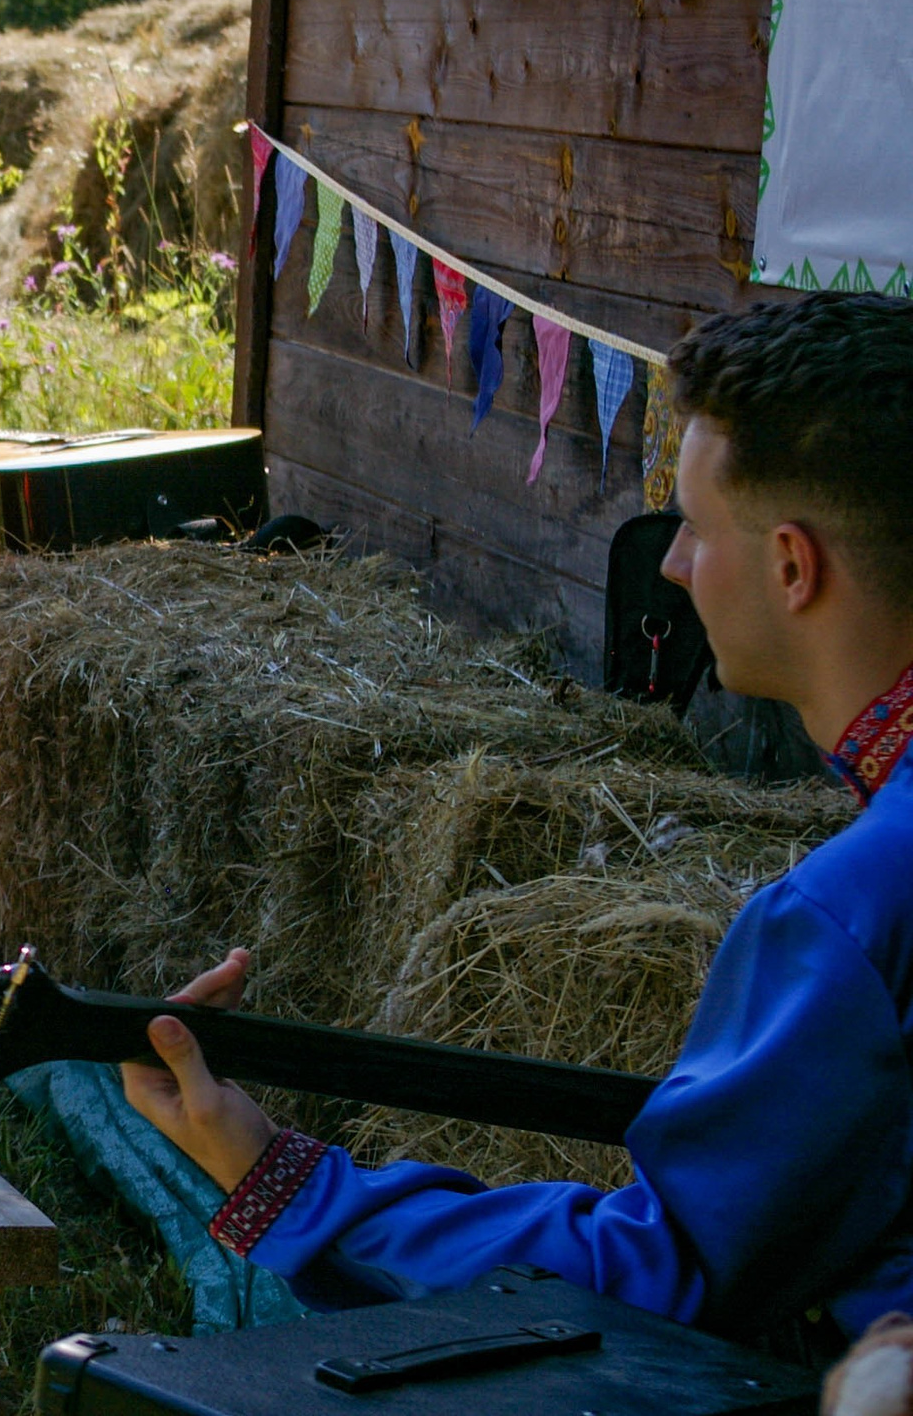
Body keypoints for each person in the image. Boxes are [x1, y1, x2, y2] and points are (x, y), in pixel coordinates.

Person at [122, 291, 913, 1353]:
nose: (674, 566)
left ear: (789, 565)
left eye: (690, 526)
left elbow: (664, 1278)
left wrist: (281, 1183)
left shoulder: (848, 916)